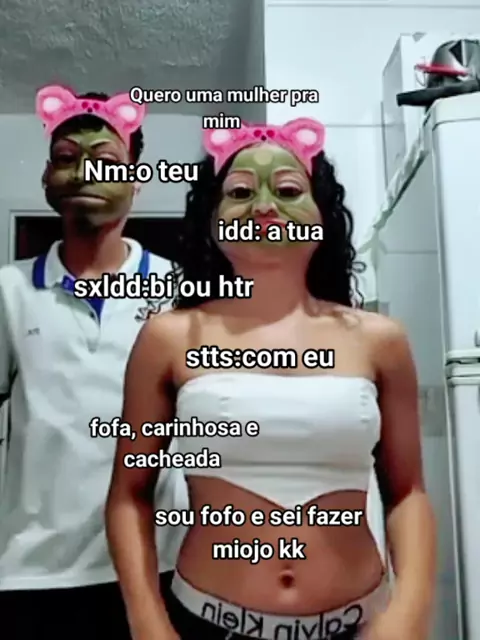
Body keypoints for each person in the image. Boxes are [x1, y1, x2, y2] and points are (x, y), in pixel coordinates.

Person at [105, 118, 436, 640]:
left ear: (321, 216)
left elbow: (408, 491)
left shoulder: (380, 340)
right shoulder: (168, 338)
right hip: (206, 624)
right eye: (240, 192)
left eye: (287, 190)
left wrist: (408, 614)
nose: (263, 206)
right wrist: (148, 624)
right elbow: (130, 494)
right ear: (214, 219)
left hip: (361, 626)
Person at [0, 85, 188, 639]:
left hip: (162, 566)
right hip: (33, 574)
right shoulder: (8, 291)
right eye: (65, 157)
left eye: (106, 159)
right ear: (46, 178)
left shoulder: (181, 289)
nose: (85, 170)